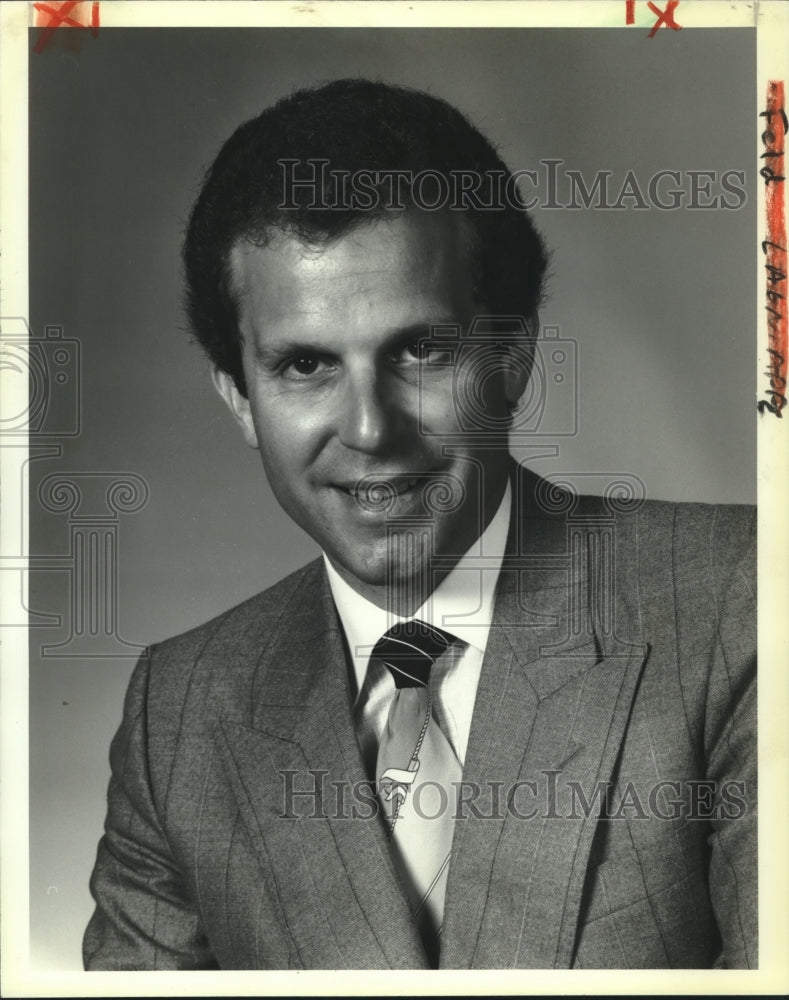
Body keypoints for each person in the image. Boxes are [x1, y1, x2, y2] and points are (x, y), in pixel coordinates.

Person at [83, 79, 756, 970]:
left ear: (512, 355)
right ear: (239, 399)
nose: (369, 429)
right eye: (305, 365)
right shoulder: (180, 713)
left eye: (421, 350)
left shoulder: (741, 603)